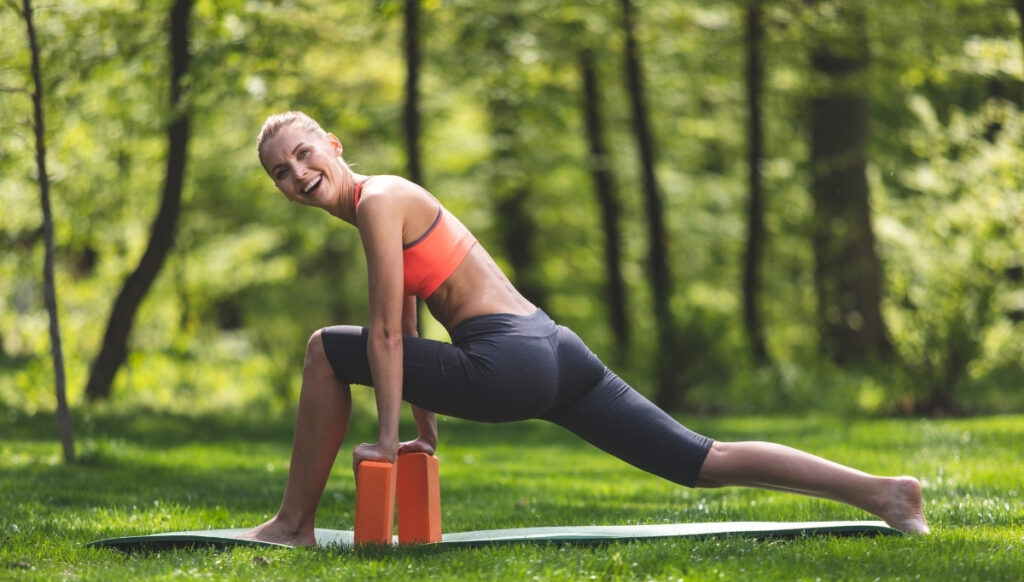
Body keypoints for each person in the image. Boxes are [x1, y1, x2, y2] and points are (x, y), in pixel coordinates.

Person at [240, 111, 928, 546]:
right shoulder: (387, 200)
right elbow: (411, 324)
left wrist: (389, 441)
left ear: (332, 142)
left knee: (325, 351)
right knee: (700, 459)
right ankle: (887, 494)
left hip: (507, 363)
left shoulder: (377, 201)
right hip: (555, 349)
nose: (298, 173)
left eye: (304, 153)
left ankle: (293, 524)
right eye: (282, 172)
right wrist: (427, 432)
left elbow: (386, 335)